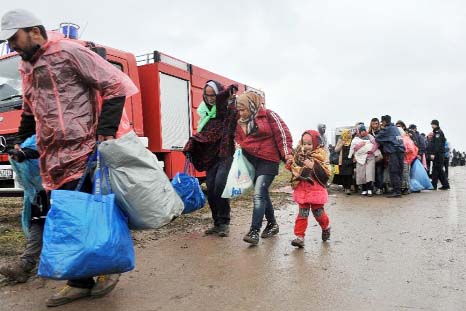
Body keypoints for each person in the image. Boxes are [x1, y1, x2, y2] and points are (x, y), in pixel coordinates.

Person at [0, 9, 138, 307]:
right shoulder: (26, 68)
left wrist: (105, 130)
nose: (13, 47)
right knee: (68, 217)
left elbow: (115, 84)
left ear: (34, 31)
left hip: (83, 149)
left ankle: (96, 275)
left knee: (85, 215)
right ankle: (83, 278)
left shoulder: (69, 52)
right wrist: (20, 144)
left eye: (15, 39)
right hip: (52, 155)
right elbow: (28, 108)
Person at [234, 92, 293, 245]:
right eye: (239, 110)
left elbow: (283, 134)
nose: (241, 113)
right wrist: (237, 146)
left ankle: (254, 231)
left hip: (268, 160)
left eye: (243, 109)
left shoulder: (268, 115)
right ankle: (273, 224)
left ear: (252, 106)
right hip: (251, 162)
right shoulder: (239, 122)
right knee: (263, 194)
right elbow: (237, 138)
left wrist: (288, 155)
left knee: (259, 194)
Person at [184, 80, 238, 237]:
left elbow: (223, 104)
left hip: (226, 154)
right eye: (207, 95)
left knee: (220, 185)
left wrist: (228, 94)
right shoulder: (205, 114)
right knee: (211, 188)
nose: (210, 98)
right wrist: (192, 144)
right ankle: (217, 223)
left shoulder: (226, 110)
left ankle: (225, 222)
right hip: (211, 158)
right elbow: (206, 135)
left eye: (213, 95)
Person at [287, 130, 331, 248]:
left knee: (319, 214)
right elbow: (293, 168)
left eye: (309, 144)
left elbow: (326, 172)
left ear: (316, 144)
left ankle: (326, 227)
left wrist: (312, 165)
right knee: (302, 214)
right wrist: (290, 162)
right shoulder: (299, 154)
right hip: (303, 190)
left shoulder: (321, 155)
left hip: (316, 190)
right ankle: (299, 237)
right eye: (304, 143)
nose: (306, 146)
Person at [375, 115, 405, 198]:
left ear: (384, 121)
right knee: (399, 171)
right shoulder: (395, 128)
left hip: (394, 152)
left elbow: (377, 138)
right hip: (401, 151)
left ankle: (397, 191)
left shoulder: (387, 129)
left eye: (382, 122)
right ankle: (398, 190)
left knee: (394, 171)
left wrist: (384, 142)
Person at [348, 125, 379, 196]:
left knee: (369, 173)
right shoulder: (356, 139)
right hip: (360, 158)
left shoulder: (370, 136)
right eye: (361, 131)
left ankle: (370, 189)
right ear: (359, 132)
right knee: (362, 174)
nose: (363, 132)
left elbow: (376, 144)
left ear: (366, 131)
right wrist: (359, 146)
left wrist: (371, 151)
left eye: (364, 131)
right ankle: (364, 189)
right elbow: (353, 148)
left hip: (369, 157)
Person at [430, 120, 450, 190]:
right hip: (439, 155)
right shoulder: (436, 132)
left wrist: (433, 154)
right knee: (437, 170)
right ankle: (437, 185)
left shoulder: (438, 133)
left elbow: (437, 145)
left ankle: (442, 185)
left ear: (435, 125)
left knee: (438, 170)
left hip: (438, 155)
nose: (431, 126)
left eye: (432, 124)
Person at [334, 128, 354, 195]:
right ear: (345, 134)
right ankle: (345, 187)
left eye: (350, 133)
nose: (350, 134)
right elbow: (336, 150)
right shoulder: (341, 140)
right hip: (342, 160)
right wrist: (342, 144)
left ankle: (348, 189)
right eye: (348, 133)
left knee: (349, 174)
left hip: (350, 160)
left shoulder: (352, 141)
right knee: (344, 175)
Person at [369, 118, 384, 194]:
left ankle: (380, 188)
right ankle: (374, 187)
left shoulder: (381, 132)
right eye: (373, 123)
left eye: (376, 123)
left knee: (379, 172)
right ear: (371, 124)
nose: (375, 125)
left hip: (379, 155)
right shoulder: (369, 133)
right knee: (372, 172)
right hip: (371, 155)